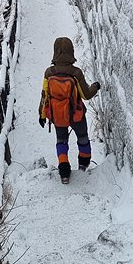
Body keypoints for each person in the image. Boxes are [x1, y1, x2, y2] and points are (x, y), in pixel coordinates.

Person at [38, 36, 100, 184]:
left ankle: (64, 172)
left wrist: (42, 115)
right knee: (83, 137)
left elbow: (44, 95)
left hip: (57, 115)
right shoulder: (76, 73)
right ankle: (83, 166)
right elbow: (86, 95)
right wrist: (95, 87)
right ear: (71, 51)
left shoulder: (49, 73)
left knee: (61, 141)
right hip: (76, 114)